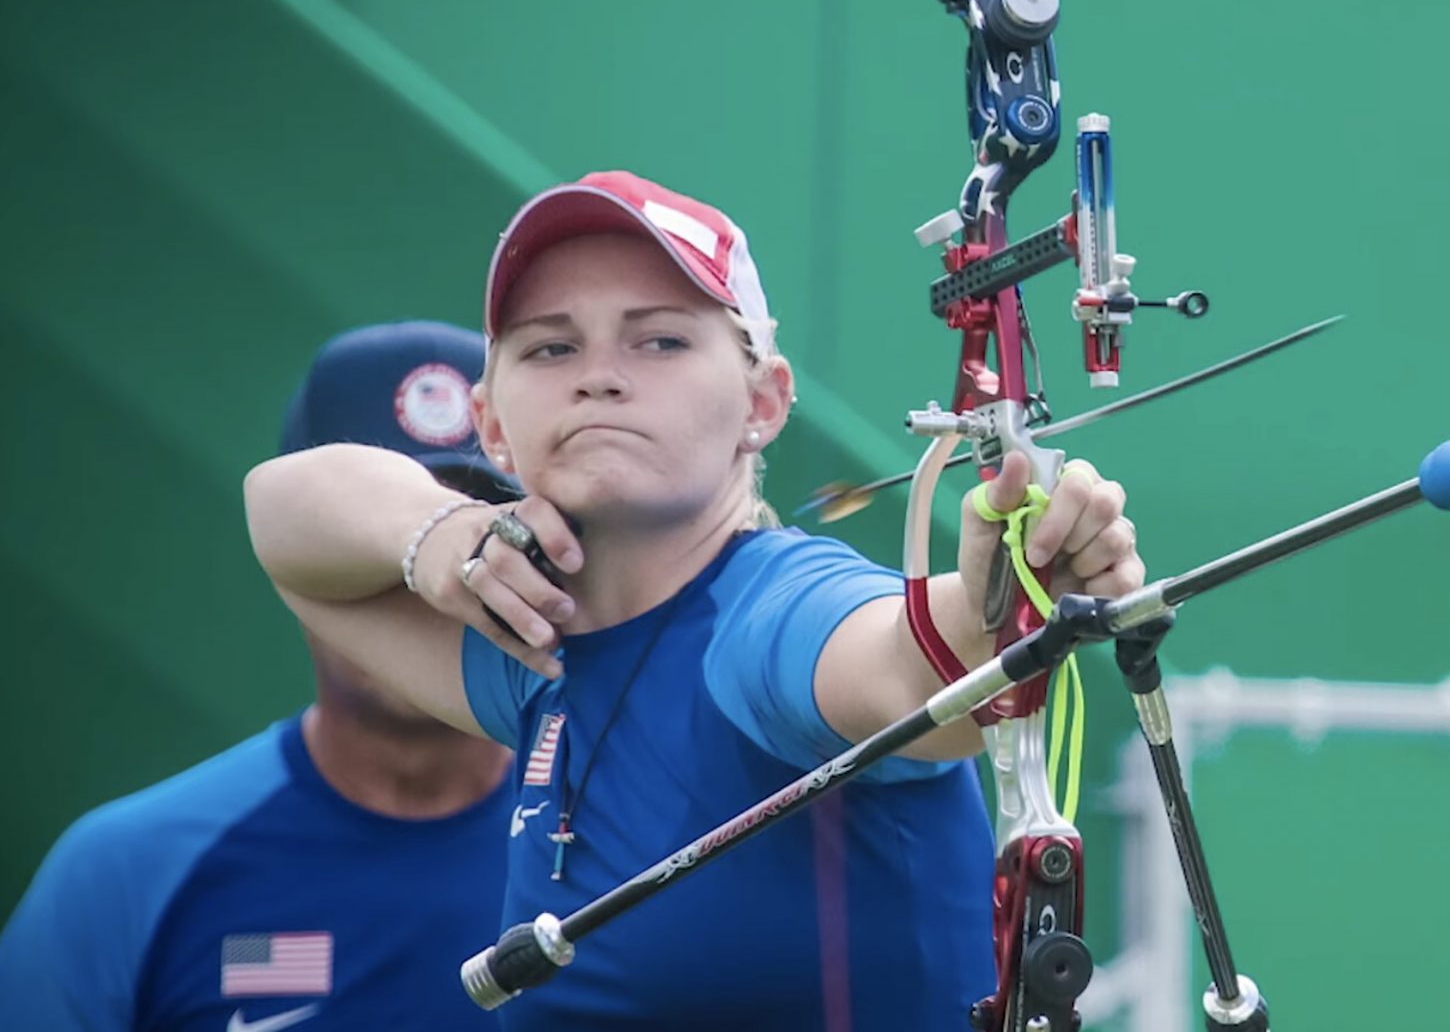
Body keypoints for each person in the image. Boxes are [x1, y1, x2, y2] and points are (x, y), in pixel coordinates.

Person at [238, 170, 1147, 1029]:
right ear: (493, 428)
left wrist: (1002, 600)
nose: (599, 374)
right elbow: (282, 519)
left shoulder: (769, 620)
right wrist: (436, 534)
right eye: (552, 346)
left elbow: (914, 663)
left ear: (764, 400)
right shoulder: (536, 648)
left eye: (661, 339)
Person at [0, 321, 524, 1031]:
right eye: (372, 535)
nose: (422, 584)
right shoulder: (123, 876)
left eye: (464, 528)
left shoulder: (623, 841)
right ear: (295, 550)